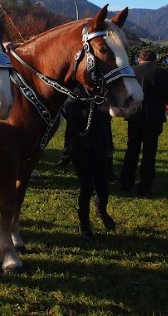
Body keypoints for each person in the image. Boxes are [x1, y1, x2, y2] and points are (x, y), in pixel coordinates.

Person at [120, 48, 168, 196]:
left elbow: (124, 93)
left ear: (139, 59)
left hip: (135, 115)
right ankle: (145, 185)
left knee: (131, 149)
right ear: (155, 60)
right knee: (149, 153)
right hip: (153, 117)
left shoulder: (131, 71)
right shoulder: (161, 73)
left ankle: (126, 182)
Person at [62, 97, 117, 241]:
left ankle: (101, 210)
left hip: (100, 145)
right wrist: (101, 112)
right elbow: (78, 121)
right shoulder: (72, 101)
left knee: (103, 185)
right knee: (87, 187)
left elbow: (107, 119)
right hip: (80, 148)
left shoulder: (100, 98)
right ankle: (84, 225)